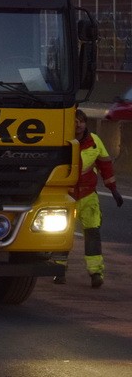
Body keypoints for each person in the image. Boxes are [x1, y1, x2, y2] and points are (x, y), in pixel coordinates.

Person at [55, 108, 123, 287]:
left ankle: (95, 273)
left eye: (81, 121)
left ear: (86, 123)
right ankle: (59, 270)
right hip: (65, 195)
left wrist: (113, 190)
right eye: (74, 121)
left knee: (92, 233)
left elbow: (105, 165)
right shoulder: (61, 140)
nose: (77, 125)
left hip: (88, 195)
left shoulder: (94, 141)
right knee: (62, 233)